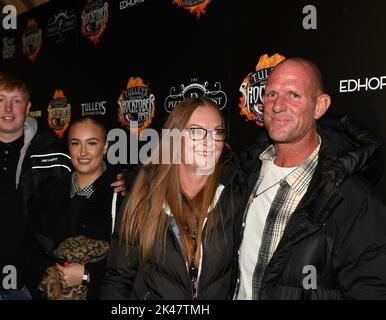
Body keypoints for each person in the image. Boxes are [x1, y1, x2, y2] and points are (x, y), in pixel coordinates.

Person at [0, 72, 124, 300]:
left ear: (28, 107)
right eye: (0, 99)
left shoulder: (53, 154)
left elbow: (91, 172)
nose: (8, 109)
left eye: (16, 101)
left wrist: (127, 180)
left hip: (31, 288)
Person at [235, 57, 386, 300]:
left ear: (319, 106)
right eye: (271, 93)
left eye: (293, 95)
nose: (277, 105)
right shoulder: (243, 173)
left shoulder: (350, 196)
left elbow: (373, 289)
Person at [101, 96, 242, 300]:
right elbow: (118, 279)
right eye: (195, 131)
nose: (209, 141)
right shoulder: (144, 197)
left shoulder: (234, 194)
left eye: (217, 132)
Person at [53, 117, 122, 299]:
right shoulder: (50, 193)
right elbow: (34, 252)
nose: (83, 152)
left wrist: (87, 274)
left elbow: (132, 262)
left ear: (105, 146)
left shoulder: (123, 195)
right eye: (75, 143)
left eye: (91, 143)